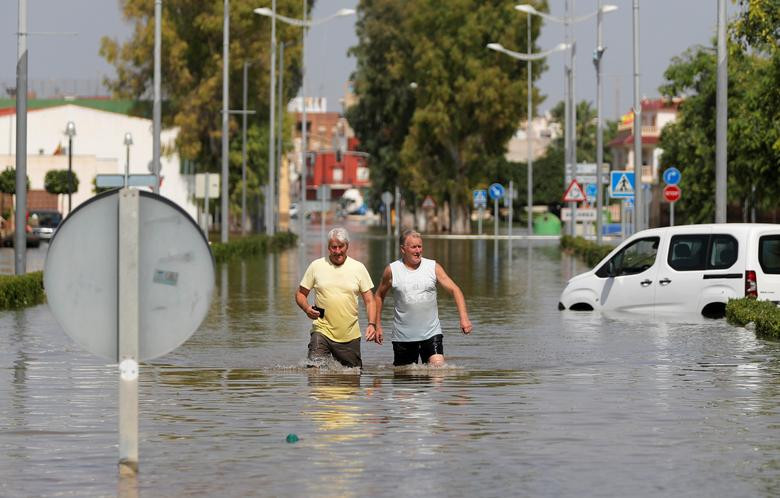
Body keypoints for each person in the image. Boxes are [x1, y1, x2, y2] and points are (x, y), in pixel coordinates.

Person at [369, 229, 472, 367]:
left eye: (420, 246)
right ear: (403, 249)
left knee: (437, 371)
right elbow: (379, 296)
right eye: (413, 247)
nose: (418, 250)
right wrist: (378, 325)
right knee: (404, 380)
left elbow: (455, 290)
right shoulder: (392, 270)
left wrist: (464, 318)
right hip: (403, 336)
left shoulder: (432, 267)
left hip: (431, 334)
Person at [295, 227, 376, 369]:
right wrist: (307, 308)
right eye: (334, 247)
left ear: (347, 246)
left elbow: (370, 300)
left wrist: (371, 324)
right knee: (314, 370)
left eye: (341, 247)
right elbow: (300, 294)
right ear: (328, 247)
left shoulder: (358, 268)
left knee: (352, 376)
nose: (337, 251)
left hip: (349, 334)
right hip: (322, 330)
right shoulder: (316, 266)